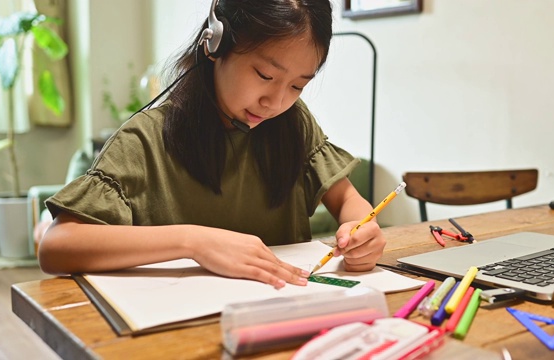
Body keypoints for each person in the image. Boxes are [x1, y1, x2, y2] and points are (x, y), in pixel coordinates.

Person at [38, 0, 385, 289]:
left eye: (297, 86)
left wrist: (361, 231)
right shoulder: (144, 140)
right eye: (265, 75)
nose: (276, 102)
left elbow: (349, 202)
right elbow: (57, 246)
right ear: (214, 43)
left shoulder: (293, 124)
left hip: (282, 319)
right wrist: (193, 242)